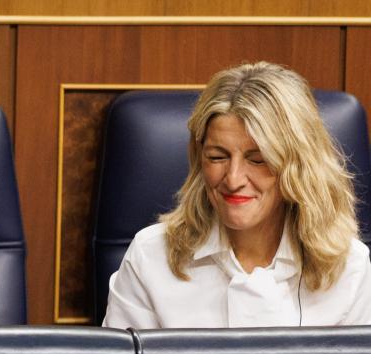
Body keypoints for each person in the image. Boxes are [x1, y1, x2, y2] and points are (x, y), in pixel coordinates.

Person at [103, 61, 371, 328]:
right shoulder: (151, 255)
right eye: (217, 157)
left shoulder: (350, 267)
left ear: (298, 165)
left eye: (257, 160)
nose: (233, 179)